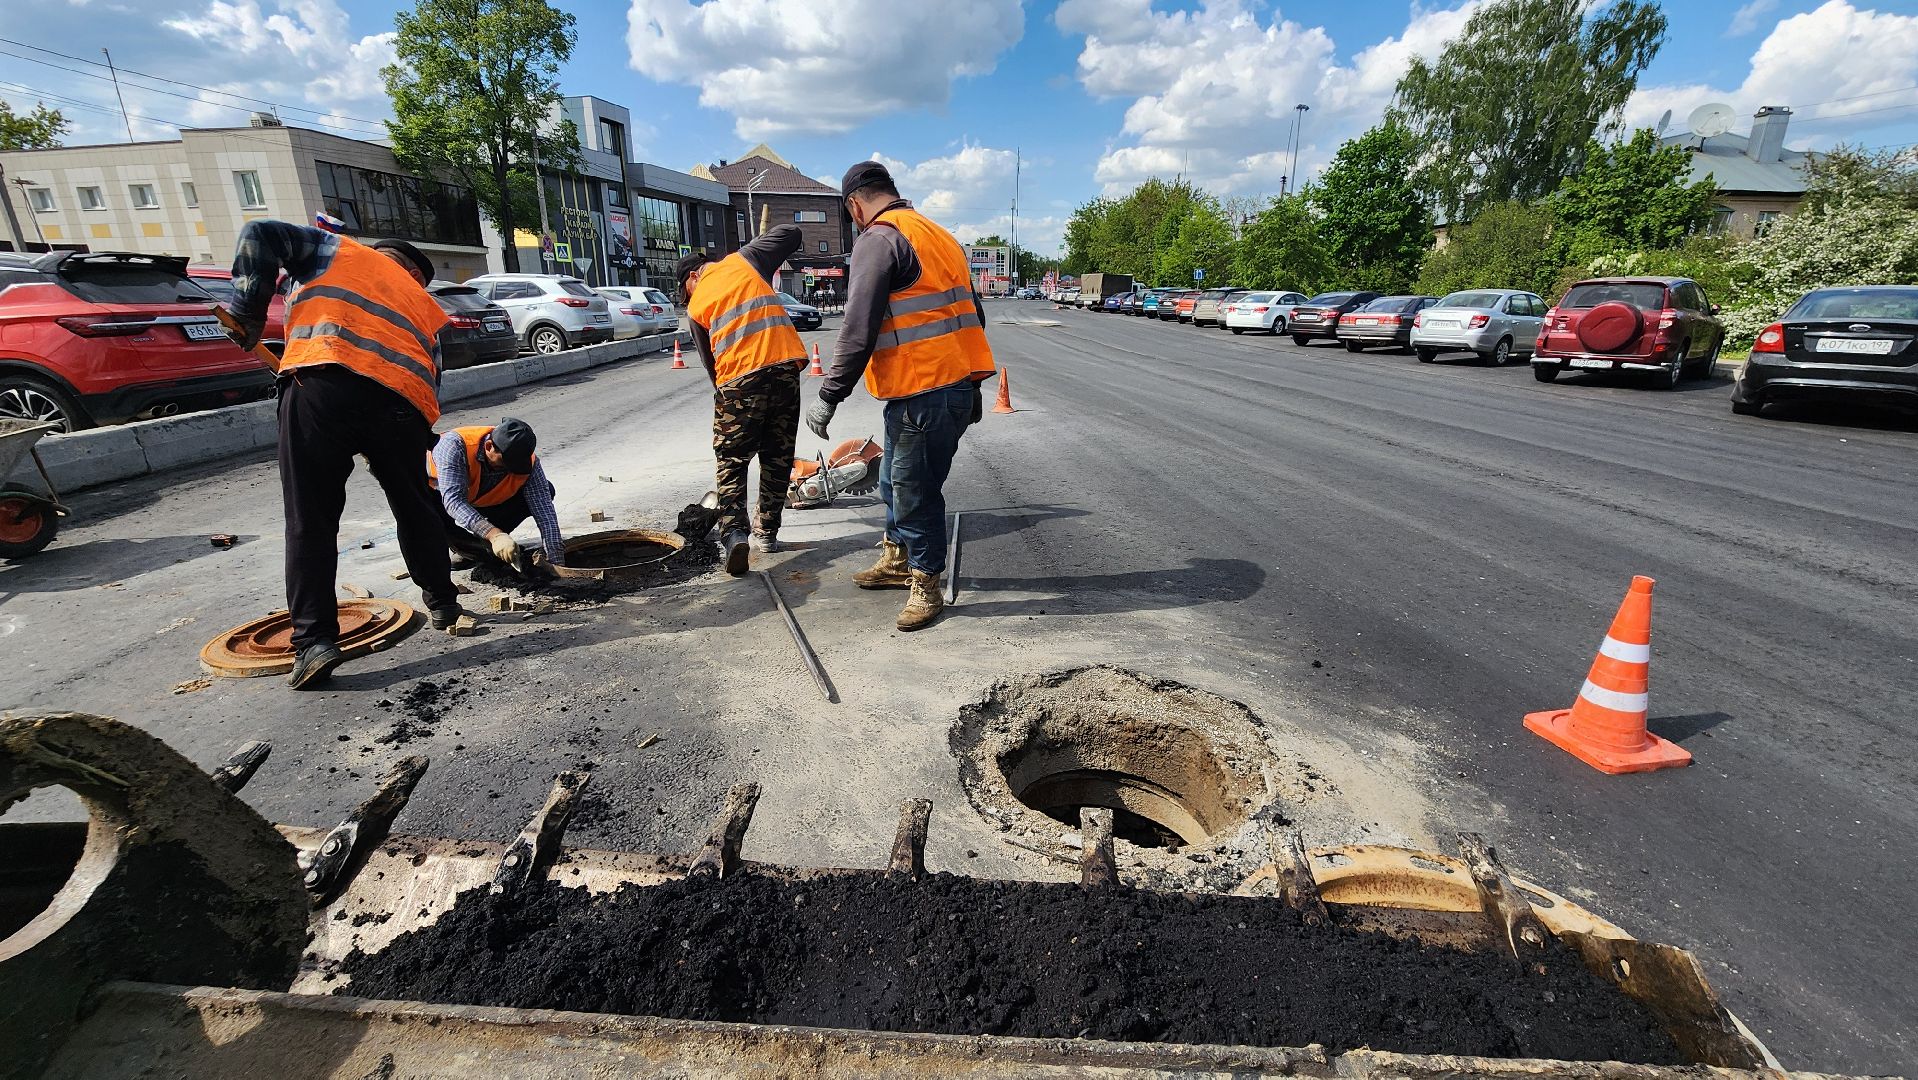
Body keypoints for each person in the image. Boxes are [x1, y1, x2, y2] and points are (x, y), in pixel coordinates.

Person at [227, 221, 465, 689]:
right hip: (400, 405)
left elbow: (259, 233)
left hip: (321, 381)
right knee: (415, 506)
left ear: (383, 254)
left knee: (310, 519)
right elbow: (431, 381)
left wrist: (248, 311)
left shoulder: (338, 251)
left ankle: (314, 641)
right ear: (418, 275)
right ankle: (443, 602)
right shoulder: (426, 308)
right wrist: (406, 439)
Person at [806, 161, 995, 631]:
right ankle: (896, 560)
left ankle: (926, 584)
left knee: (914, 492)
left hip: (921, 390)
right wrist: (972, 384)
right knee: (892, 480)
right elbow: (972, 313)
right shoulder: (938, 234)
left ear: (854, 203)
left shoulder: (880, 238)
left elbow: (858, 327)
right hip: (949, 385)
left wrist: (830, 394)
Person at [676, 223, 807, 575]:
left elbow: (711, 366)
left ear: (692, 277)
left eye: (684, 291)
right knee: (777, 457)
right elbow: (791, 234)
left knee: (732, 459)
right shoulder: (745, 261)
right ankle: (767, 532)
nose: (687, 298)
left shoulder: (697, 305)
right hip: (784, 370)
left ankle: (735, 535)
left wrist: (730, 403)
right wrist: (754, 250)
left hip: (739, 379)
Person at [428, 417, 564, 574]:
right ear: (489, 446)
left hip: (484, 500)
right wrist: (495, 535)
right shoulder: (454, 446)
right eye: (505, 464)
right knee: (429, 514)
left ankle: (480, 545)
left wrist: (556, 559)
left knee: (546, 489)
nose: (509, 470)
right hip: (440, 498)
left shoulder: (528, 462)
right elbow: (454, 502)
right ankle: (467, 547)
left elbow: (544, 510)